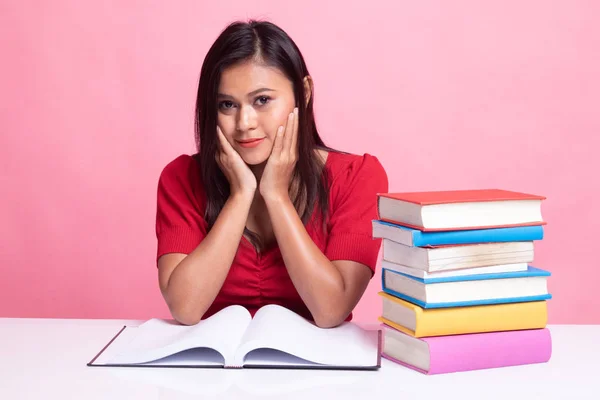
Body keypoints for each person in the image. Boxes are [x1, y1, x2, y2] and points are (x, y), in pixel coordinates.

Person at [155, 20, 388, 328]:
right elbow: (185, 308)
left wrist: (276, 195)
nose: (244, 122)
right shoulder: (181, 177)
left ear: (303, 93)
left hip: (318, 370)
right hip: (215, 367)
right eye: (227, 105)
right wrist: (240, 195)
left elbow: (331, 309)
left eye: (262, 100)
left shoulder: (356, 176)